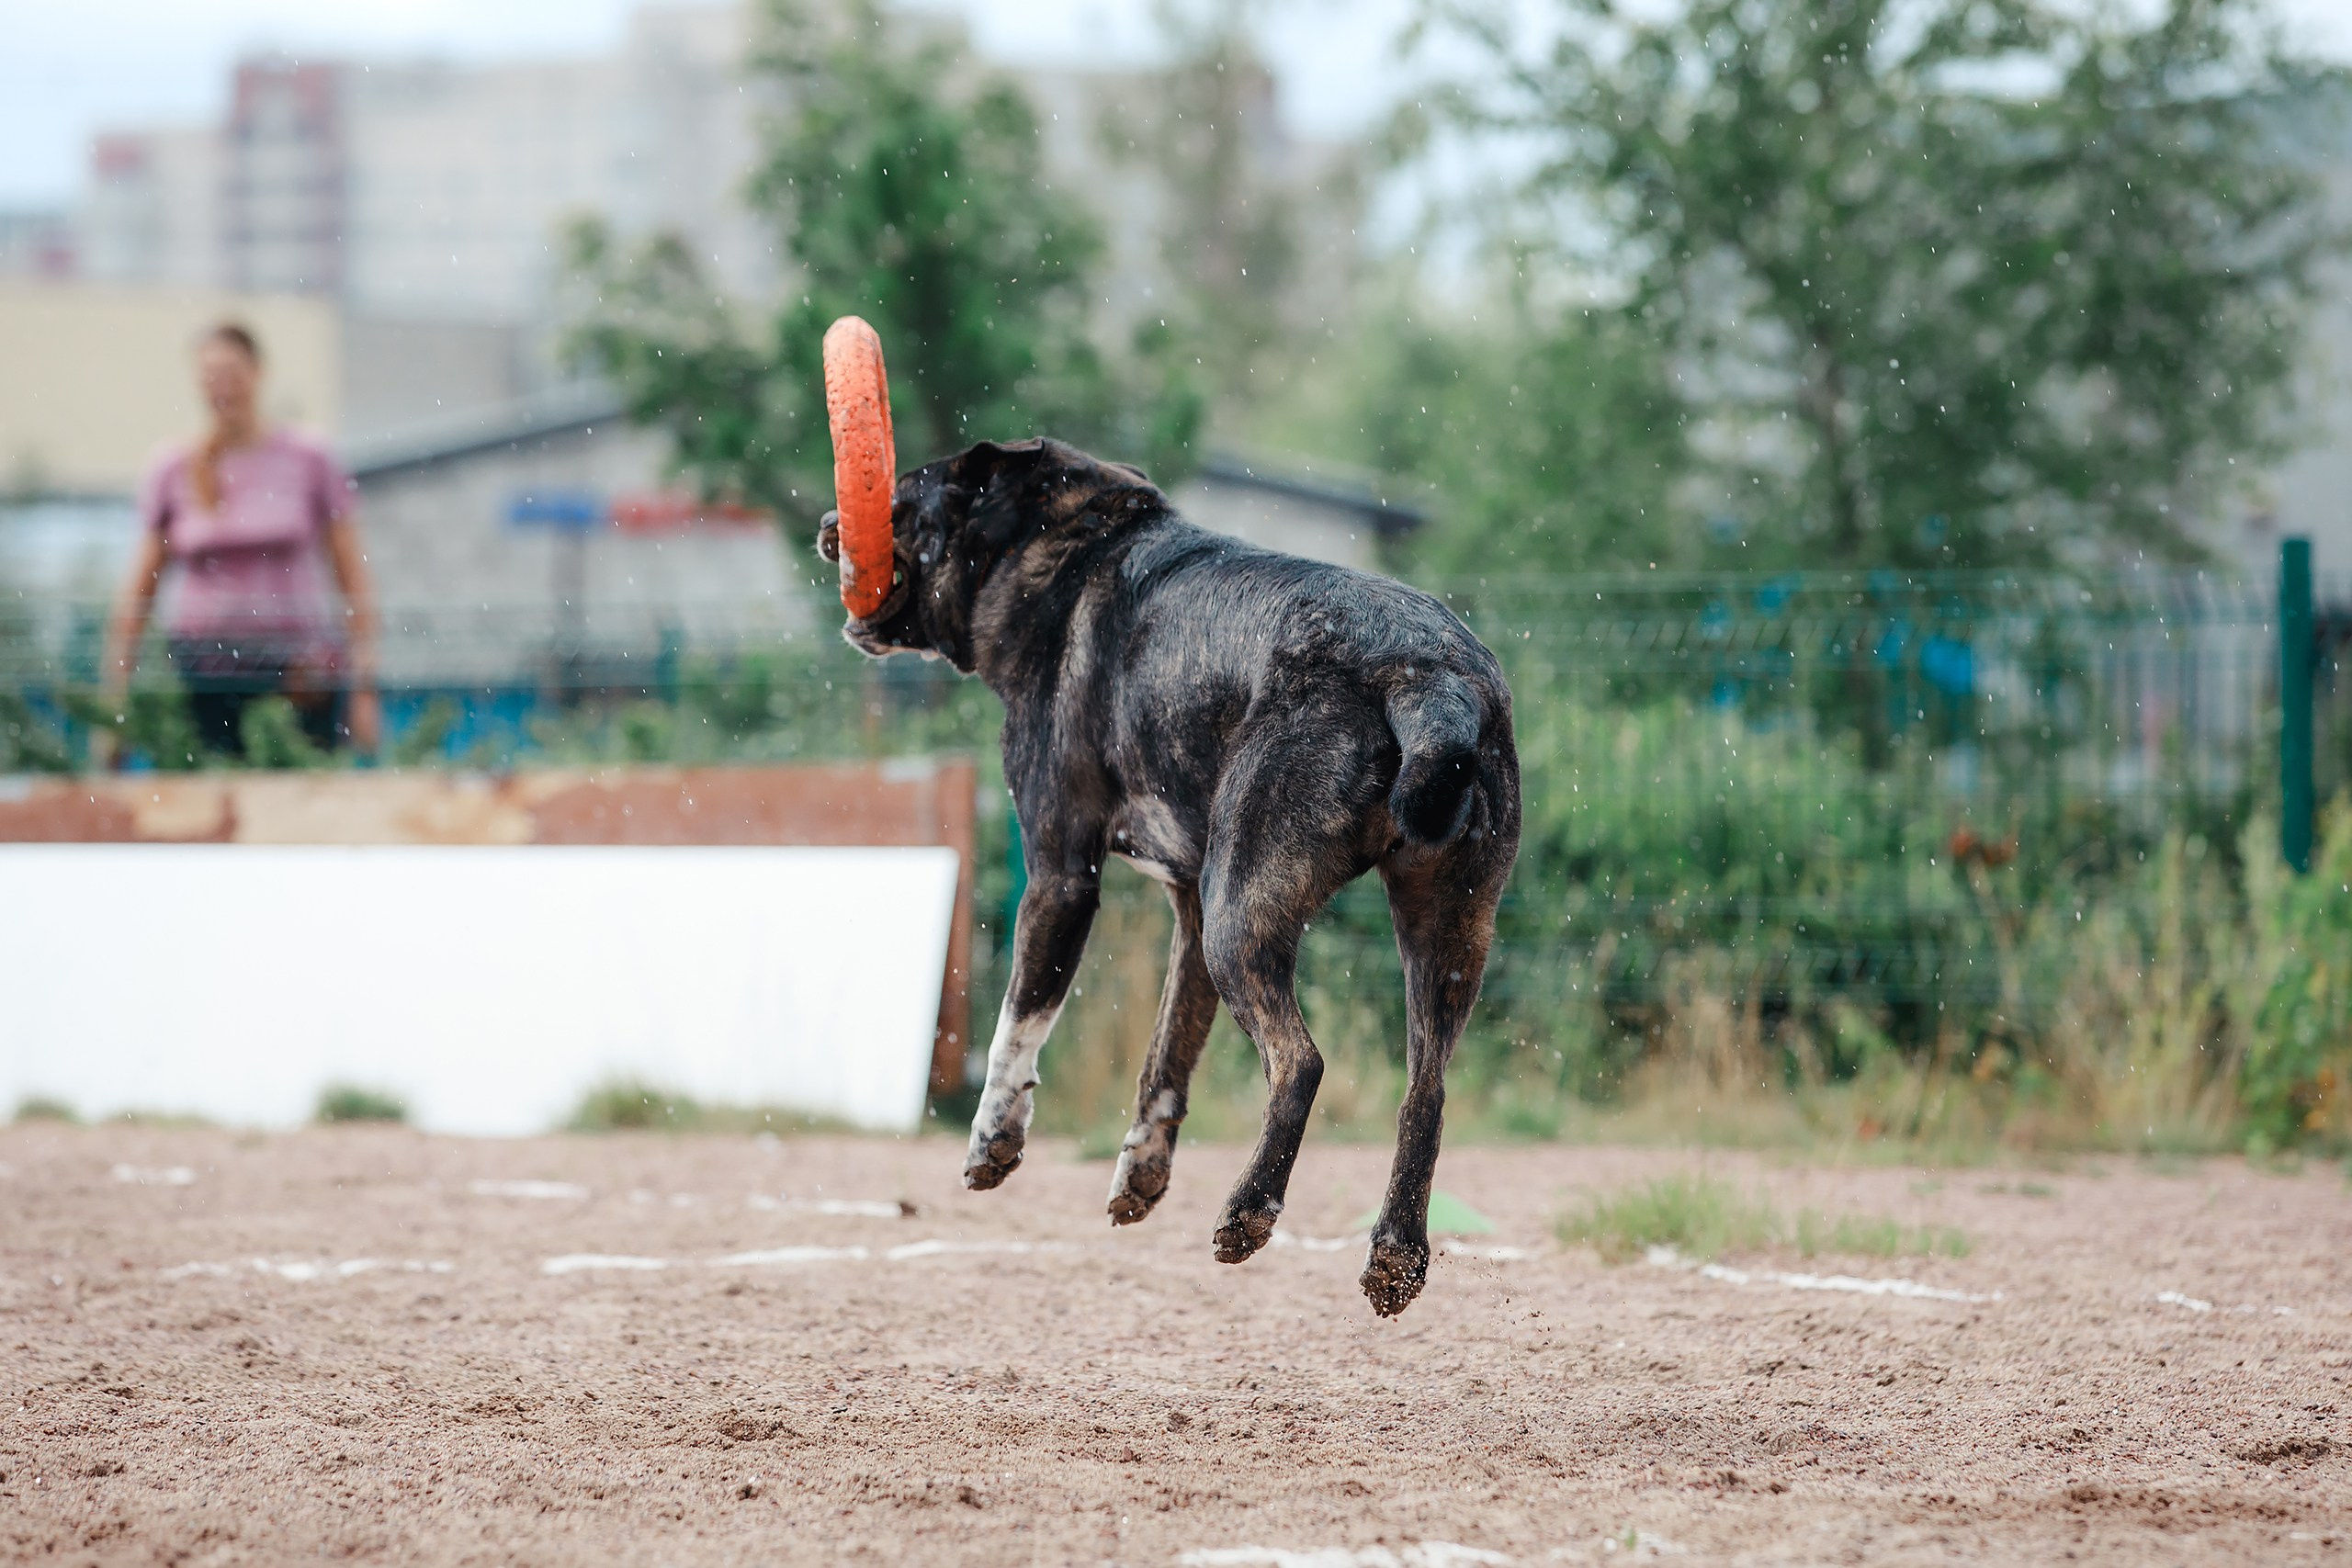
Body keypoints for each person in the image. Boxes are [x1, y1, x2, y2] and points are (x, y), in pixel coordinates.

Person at [100, 321, 380, 762]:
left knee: (301, 785)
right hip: (205, 676)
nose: (222, 386)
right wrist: (115, 694)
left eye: (232, 372)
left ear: (259, 372)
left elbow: (350, 574)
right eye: (210, 375)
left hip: (299, 672)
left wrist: (365, 687)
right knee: (212, 792)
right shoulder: (172, 468)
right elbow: (140, 589)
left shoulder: (310, 458)